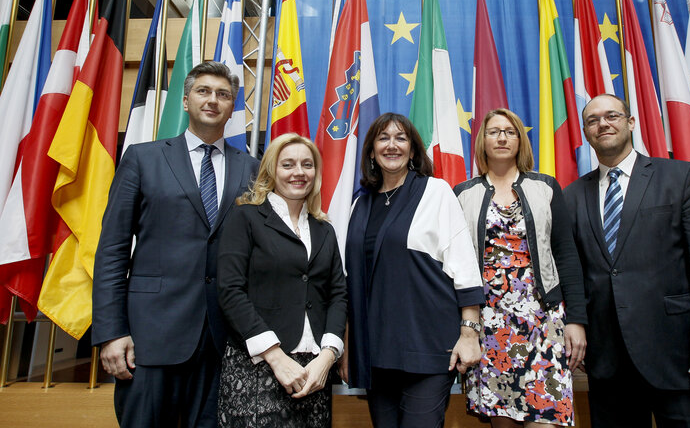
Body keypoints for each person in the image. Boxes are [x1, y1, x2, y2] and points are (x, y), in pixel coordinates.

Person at [92, 61, 261, 428]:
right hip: (150, 338)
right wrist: (111, 332)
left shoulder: (251, 168)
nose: (213, 100)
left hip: (224, 341)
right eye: (203, 91)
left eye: (223, 95)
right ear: (185, 101)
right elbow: (112, 250)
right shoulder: (143, 158)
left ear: (232, 108)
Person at [563, 94, 690, 427]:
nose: (603, 123)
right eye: (593, 120)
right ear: (586, 133)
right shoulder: (571, 196)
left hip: (681, 357)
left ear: (630, 123)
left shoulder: (681, 178)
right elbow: (575, 273)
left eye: (612, 115)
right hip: (609, 364)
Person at [342, 112, 485, 428]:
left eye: (400, 138)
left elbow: (464, 267)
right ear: (371, 151)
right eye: (383, 138)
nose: (391, 145)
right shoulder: (360, 203)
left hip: (429, 347)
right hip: (376, 350)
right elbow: (354, 283)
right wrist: (349, 345)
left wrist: (469, 333)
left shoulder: (436, 192)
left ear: (413, 149)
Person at [454, 108, 587, 427]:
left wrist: (577, 321)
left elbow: (566, 255)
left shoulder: (546, 188)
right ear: (482, 141)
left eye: (509, 131)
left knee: (547, 421)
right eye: (493, 131)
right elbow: (457, 266)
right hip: (491, 328)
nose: (501, 137)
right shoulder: (463, 194)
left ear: (520, 139)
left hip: (543, 326)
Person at [216, 133, 347, 427]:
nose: (299, 172)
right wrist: (276, 357)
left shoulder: (324, 229)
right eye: (288, 164)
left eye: (307, 164)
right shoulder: (246, 218)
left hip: (314, 371)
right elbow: (230, 291)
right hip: (258, 366)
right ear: (271, 170)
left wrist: (327, 359)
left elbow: (338, 294)